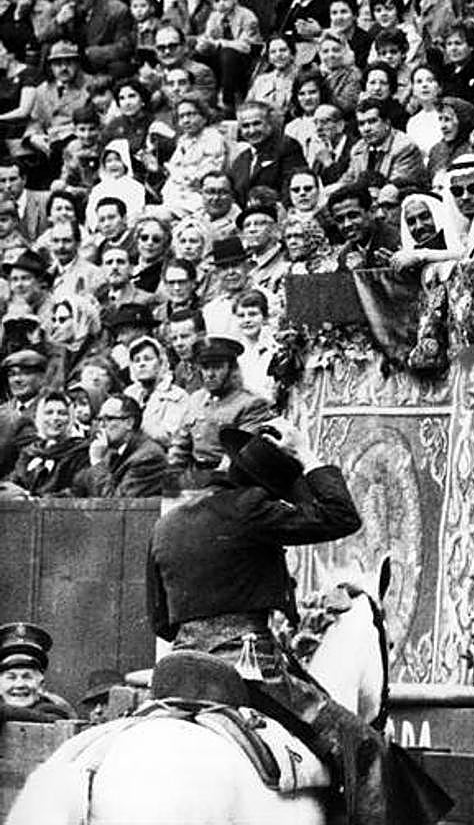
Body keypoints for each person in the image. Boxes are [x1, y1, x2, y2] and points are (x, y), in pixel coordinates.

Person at [146, 418, 413, 825]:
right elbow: (342, 517)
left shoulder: (167, 523)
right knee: (364, 747)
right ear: (265, 491)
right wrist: (306, 456)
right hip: (250, 667)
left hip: (177, 668)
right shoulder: (252, 507)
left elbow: (161, 621)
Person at [167, 334, 273, 478]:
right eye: (205, 367)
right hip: (195, 476)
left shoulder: (251, 403)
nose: (210, 374)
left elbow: (240, 455)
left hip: (229, 481)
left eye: (217, 367)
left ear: (231, 369)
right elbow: (180, 447)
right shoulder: (196, 399)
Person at [72, 392, 167, 496]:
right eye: (100, 419)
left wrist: (97, 462)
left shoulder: (148, 457)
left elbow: (115, 503)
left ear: (129, 423)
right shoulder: (110, 452)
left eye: (108, 419)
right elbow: (79, 489)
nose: (102, 425)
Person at [12, 389, 91, 496]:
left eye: (62, 413)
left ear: (70, 418)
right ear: (40, 417)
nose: (55, 418)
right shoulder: (30, 452)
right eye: (49, 413)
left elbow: (77, 490)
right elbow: (15, 481)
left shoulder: (80, 453)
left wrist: (37, 500)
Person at [344, 97, 428, 188]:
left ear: (387, 123)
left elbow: (396, 186)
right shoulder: (359, 148)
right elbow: (348, 180)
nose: (366, 129)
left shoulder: (405, 147)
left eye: (372, 121)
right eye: (361, 124)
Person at [0, 622, 76, 720]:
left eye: (27, 677)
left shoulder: (55, 711)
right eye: (11, 677)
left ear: (40, 685)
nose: (19, 684)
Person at [124, 334, 189, 445]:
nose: (142, 364)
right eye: (136, 360)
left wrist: (135, 426)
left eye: (148, 359)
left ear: (160, 362)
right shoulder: (129, 394)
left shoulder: (177, 396)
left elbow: (170, 437)